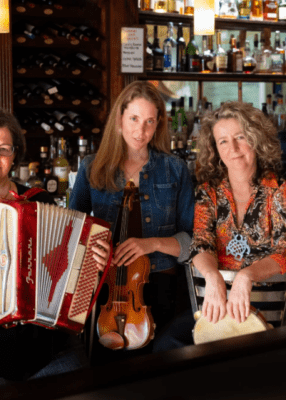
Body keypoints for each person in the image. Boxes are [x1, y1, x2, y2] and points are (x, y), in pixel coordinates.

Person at [0, 107, 110, 388]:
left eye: (4, 149)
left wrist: (92, 264)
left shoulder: (39, 201)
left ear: (14, 156)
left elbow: (70, 273)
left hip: (46, 348)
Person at [153, 101, 286, 351]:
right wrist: (212, 276)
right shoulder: (209, 193)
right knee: (165, 347)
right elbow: (200, 244)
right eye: (222, 141)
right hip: (215, 304)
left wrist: (246, 276)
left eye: (240, 137)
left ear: (255, 139)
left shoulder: (279, 190)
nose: (233, 148)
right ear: (215, 149)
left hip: (268, 308)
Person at [69, 81, 195, 358]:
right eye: (134, 119)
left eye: (150, 121)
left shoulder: (175, 169)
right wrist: (93, 248)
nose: (141, 131)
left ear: (159, 123)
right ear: (119, 119)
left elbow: (192, 242)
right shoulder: (92, 168)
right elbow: (71, 231)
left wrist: (151, 244)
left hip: (160, 285)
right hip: (106, 285)